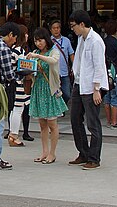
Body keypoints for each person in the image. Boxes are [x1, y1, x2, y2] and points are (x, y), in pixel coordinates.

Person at [68, 10, 107, 170]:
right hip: (79, 83)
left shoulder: (96, 41)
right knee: (75, 119)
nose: (72, 29)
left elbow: (99, 66)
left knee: (93, 123)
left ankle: (94, 157)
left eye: (73, 26)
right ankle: (83, 152)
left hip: (92, 86)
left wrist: (97, 88)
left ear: (82, 24)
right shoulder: (81, 39)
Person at [27, 27, 66, 164]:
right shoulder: (35, 53)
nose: (38, 43)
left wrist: (37, 57)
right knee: (42, 124)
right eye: (36, 41)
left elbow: (53, 61)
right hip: (38, 88)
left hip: (50, 89)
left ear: (46, 39)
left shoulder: (53, 51)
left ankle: (52, 153)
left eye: (40, 40)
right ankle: (44, 152)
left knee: (52, 123)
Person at [0, 22, 20, 169]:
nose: (14, 41)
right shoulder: (3, 48)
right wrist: (20, 74)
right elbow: (9, 74)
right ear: (10, 35)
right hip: (0, 89)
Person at [7, 26, 30, 147]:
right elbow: (23, 67)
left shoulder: (13, 49)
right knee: (18, 109)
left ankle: (13, 134)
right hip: (19, 83)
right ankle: (13, 135)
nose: (27, 36)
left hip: (15, 83)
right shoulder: (19, 50)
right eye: (26, 34)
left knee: (16, 109)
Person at [48, 19, 75, 104]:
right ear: (50, 30)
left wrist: (74, 66)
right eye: (54, 28)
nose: (56, 30)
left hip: (64, 72)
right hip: (53, 72)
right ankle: (59, 109)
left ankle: (62, 105)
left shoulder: (66, 40)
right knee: (54, 92)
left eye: (58, 28)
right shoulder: (48, 41)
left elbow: (71, 54)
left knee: (67, 93)